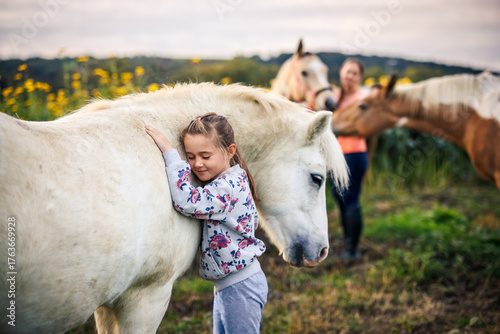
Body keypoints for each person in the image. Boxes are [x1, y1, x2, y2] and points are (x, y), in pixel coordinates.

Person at [145, 113, 267, 334]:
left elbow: (187, 201)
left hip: (240, 286)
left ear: (229, 151)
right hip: (228, 286)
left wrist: (170, 154)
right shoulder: (228, 179)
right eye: (190, 157)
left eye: (205, 156)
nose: (197, 164)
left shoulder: (226, 188)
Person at [330, 58, 368, 261]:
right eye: (347, 72)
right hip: (334, 156)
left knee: (351, 200)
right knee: (341, 201)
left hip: (354, 155)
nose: (350, 76)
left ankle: (353, 250)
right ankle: (348, 242)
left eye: (354, 73)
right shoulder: (334, 97)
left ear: (360, 77)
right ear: (341, 73)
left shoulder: (363, 99)